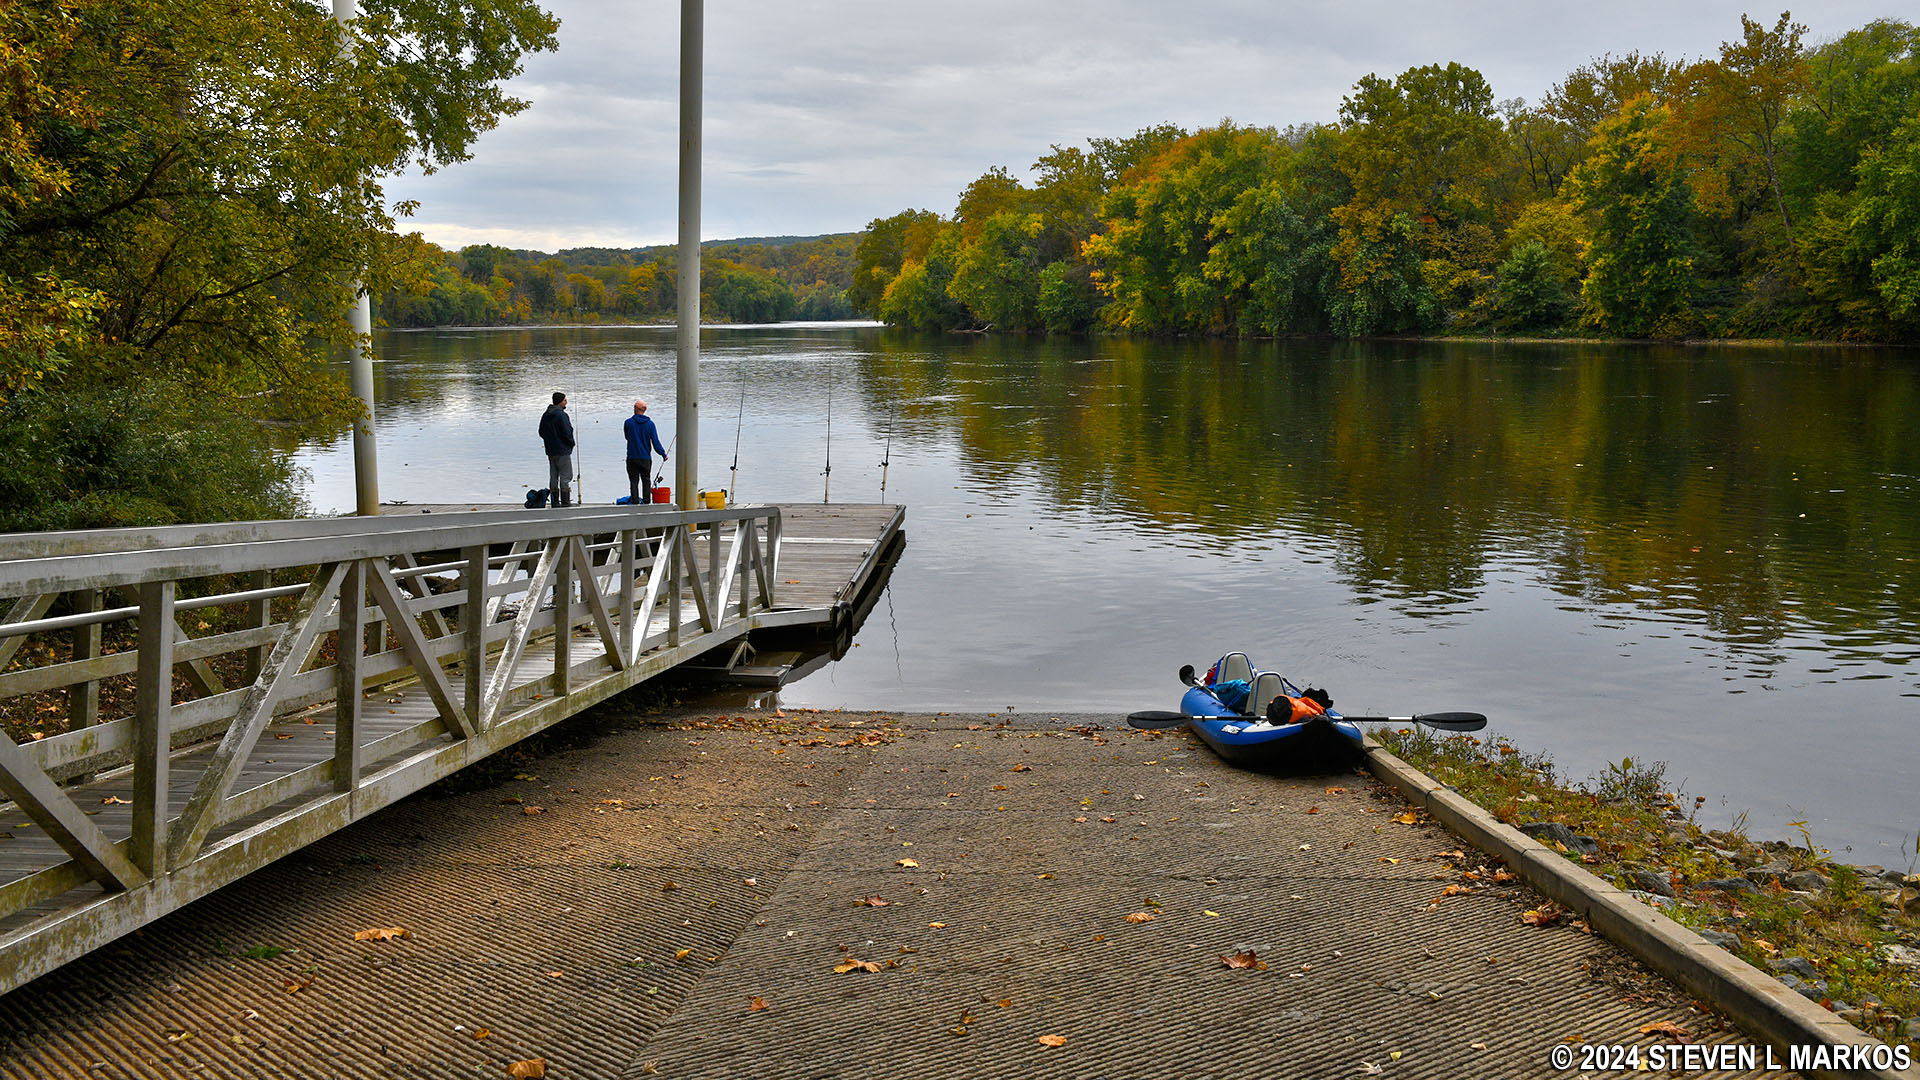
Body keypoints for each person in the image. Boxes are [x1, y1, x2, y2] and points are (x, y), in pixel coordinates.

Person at [623, 399, 668, 503]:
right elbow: (656, 443)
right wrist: (663, 454)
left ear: (635, 409)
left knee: (634, 482)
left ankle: (635, 503)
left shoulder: (628, 423)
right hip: (645, 458)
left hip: (632, 457)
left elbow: (627, 437)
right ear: (644, 410)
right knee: (646, 480)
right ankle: (647, 503)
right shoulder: (650, 424)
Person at [537, 391, 575, 507]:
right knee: (566, 476)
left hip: (550, 450)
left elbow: (541, 432)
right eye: (564, 400)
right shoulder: (562, 415)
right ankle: (565, 502)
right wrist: (571, 444)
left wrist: (550, 441)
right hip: (562, 450)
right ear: (560, 402)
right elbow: (567, 432)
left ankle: (555, 502)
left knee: (553, 476)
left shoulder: (546, 414)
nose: (566, 402)